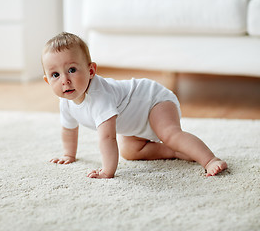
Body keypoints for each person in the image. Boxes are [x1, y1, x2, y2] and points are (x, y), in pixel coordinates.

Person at [42, 32, 227, 179]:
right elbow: (69, 130)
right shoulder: (65, 102)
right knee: (130, 151)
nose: (65, 80)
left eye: (72, 70)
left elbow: (107, 138)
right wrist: (69, 154)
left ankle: (210, 159)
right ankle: (175, 152)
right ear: (47, 81)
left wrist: (107, 171)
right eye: (55, 75)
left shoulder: (99, 96)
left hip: (152, 100)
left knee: (170, 134)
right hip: (133, 119)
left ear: (91, 71)